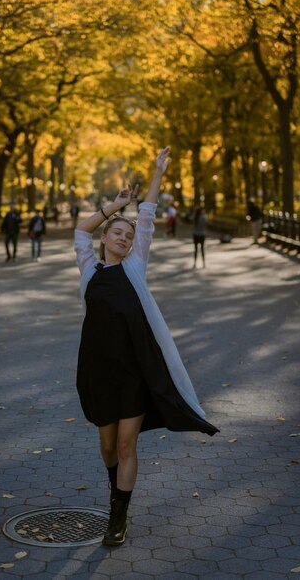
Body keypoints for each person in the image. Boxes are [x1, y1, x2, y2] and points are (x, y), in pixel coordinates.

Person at [74, 147, 219, 548]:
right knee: (106, 446)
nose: (124, 237)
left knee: (125, 443)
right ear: (106, 238)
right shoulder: (90, 271)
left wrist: (157, 173)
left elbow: (149, 214)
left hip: (134, 372)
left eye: (128, 235)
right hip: (100, 373)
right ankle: (115, 487)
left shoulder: (135, 269)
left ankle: (117, 517)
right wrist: (114, 207)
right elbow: (79, 232)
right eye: (117, 233)